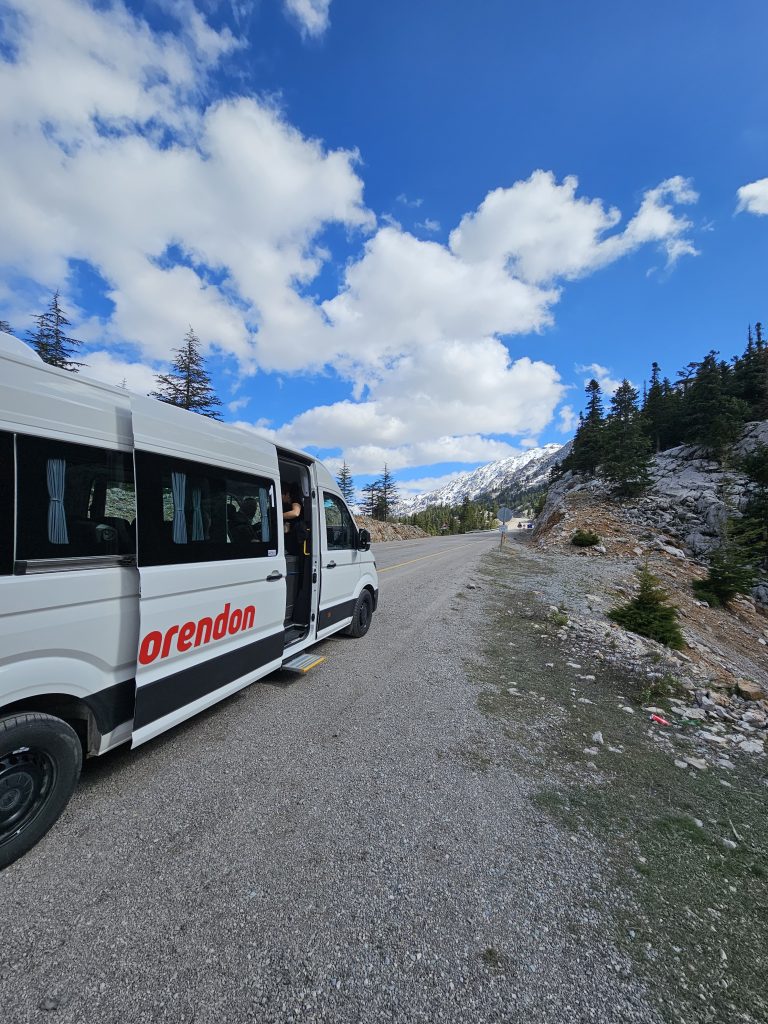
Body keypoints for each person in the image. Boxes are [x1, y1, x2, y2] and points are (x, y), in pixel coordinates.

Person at [281, 483, 303, 555]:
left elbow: (295, 513)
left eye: (281, 495)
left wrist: (278, 516)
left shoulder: (295, 500)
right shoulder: (286, 505)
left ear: (287, 494)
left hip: (297, 535)